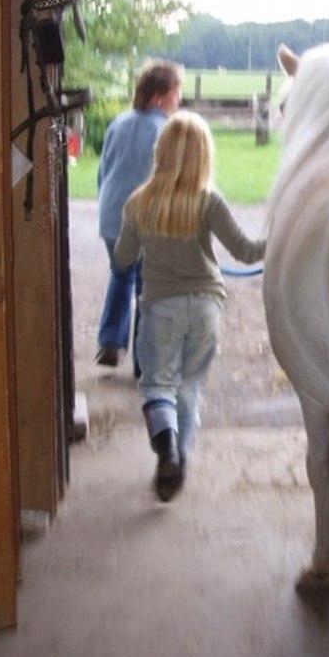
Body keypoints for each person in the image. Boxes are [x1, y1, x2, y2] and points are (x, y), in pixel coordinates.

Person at [114, 110, 266, 501]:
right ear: (203, 154)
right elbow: (247, 251)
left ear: (161, 152)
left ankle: (165, 449)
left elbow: (122, 260)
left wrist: (142, 242)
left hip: (160, 306)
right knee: (189, 387)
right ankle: (180, 454)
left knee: (157, 385)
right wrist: (281, 237)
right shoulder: (208, 200)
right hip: (205, 307)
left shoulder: (139, 202)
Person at [95, 59, 183, 374]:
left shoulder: (118, 123)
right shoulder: (168, 131)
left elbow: (102, 172)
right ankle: (144, 362)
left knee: (121, 276)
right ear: (160, 96)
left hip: (110, 217)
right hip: (145, 223)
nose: (179, 99)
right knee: (148, 289)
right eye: (176, 91)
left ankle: (110, 342)